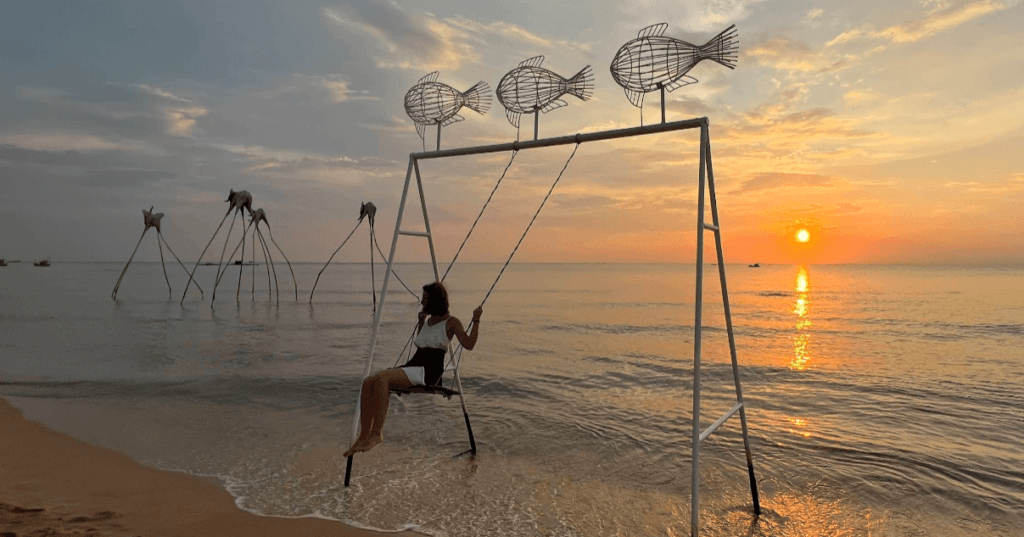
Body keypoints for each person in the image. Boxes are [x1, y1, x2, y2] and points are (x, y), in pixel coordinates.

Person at [344, 281, 482, 457]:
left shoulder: (452, 322)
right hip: (415, 364)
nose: (422, 302)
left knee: (381, 378)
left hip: (429, 370)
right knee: (368, 382)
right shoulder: (428, 321)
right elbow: (422, 342)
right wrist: (420, 323)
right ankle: (364, 436)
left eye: (425, 298)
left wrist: (476, 319)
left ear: (434, 300)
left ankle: (376, 434)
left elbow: (469, 344)